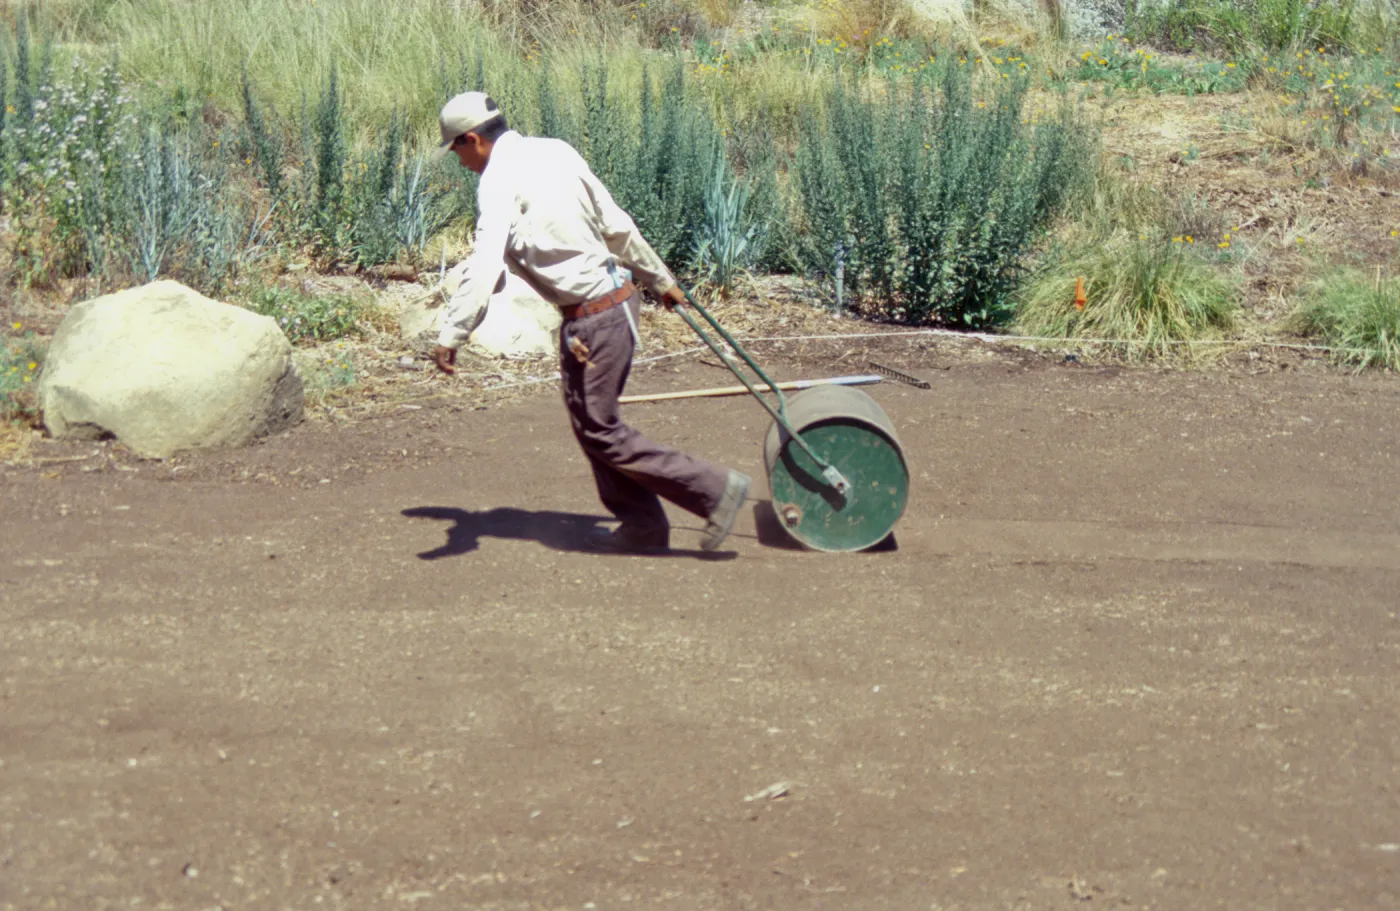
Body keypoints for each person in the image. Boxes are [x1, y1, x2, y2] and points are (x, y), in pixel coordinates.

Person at [428, 91, 750, 555]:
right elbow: (614, 224)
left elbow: (484, 265)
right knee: (591, 422)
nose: (459, 162)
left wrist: (452, 332)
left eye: (455, 150)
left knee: (599, 428)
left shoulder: (497, 181)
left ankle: (715, 490)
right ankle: (642, 528)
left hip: (594, 319)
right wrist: (659, 278)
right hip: (615, 304)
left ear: (473, 139)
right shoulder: (555, 150)